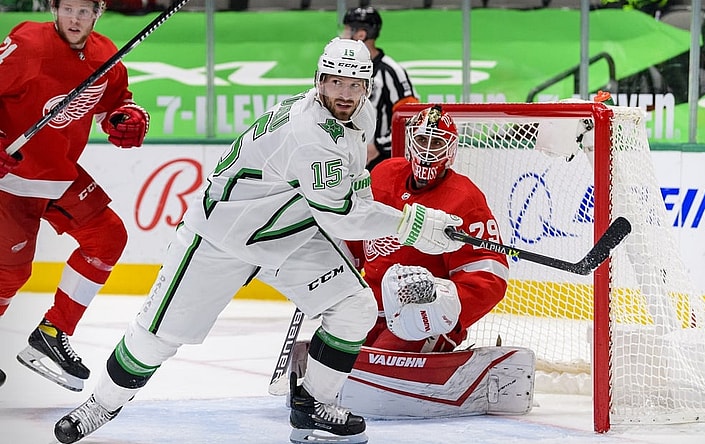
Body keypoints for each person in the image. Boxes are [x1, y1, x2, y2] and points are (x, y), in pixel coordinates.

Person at [52, 38, 464, 444]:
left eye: (354, 85)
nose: (345, 92)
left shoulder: (360, 116)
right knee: (157, 338)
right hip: (221, 238)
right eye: (336, 82)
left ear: (366, 88)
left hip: (288, 233)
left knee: (354, 306)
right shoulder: (309, 134)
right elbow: (344, 217)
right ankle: (101, 405)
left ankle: (312, 405)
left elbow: (354, 196)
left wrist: (409, 221)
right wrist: (416, 224)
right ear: (319, 80)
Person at [0, 0, 150, 391]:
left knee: (108, 237)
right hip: (10, 179)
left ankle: (53, 332)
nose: (75, 19)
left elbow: (115, 102)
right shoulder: (28, 43)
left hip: (59, 175)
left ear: (97, 12)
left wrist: (126, 116)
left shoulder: (105, 55)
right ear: (54, 7)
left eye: (84, 11)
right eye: (68, 9)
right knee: (10, 276)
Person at [346, 105, 509, 354]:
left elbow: (489, 275)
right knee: (333, 356)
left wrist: (444, 305)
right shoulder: (383, 174)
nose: (427, 150)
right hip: (370, 306)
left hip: (422, 318)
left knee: (384, 359)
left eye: (436, 143)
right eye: (422, 140)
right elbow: (354, 236)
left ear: (450, 149)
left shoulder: (465, 199)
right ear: (411, 141)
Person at [341, 6, 419, 171]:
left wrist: (378, 146)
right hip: (347, 156)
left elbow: (411, 119)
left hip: (381, 161)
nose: (342, 35)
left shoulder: (391, 71)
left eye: (347, 30)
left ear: (360, 34)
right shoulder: (343, 69)